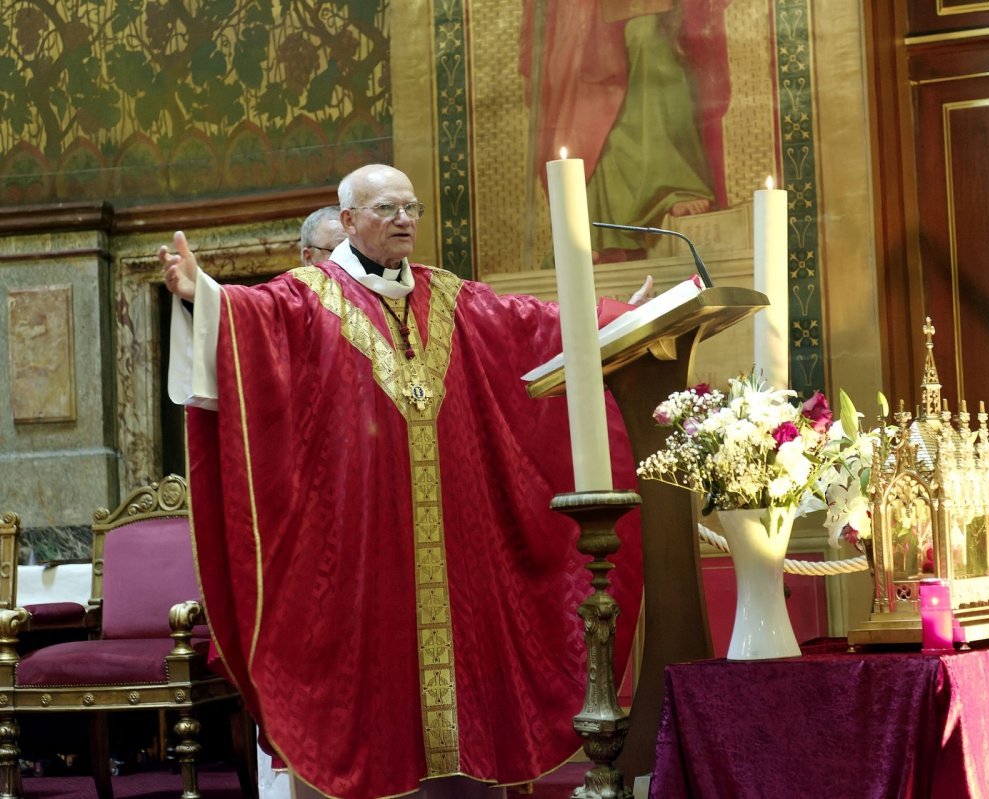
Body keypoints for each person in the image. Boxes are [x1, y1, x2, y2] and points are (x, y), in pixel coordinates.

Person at [160, 164, 643, 799]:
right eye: (387, 209)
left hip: (458, 546)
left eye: (411, 207)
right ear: (350, 220)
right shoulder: (308, 296)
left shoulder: (451, 297)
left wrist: (613, 318)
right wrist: (204, 293)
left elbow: (529, 323)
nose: (404, 220)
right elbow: (255, 318)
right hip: (363, 547)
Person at [519, 0, 732, 262]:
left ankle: (672, 185)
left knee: (648, 39)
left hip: (658, 15)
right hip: (588, 19)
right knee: (592, 95)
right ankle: (598, 227)